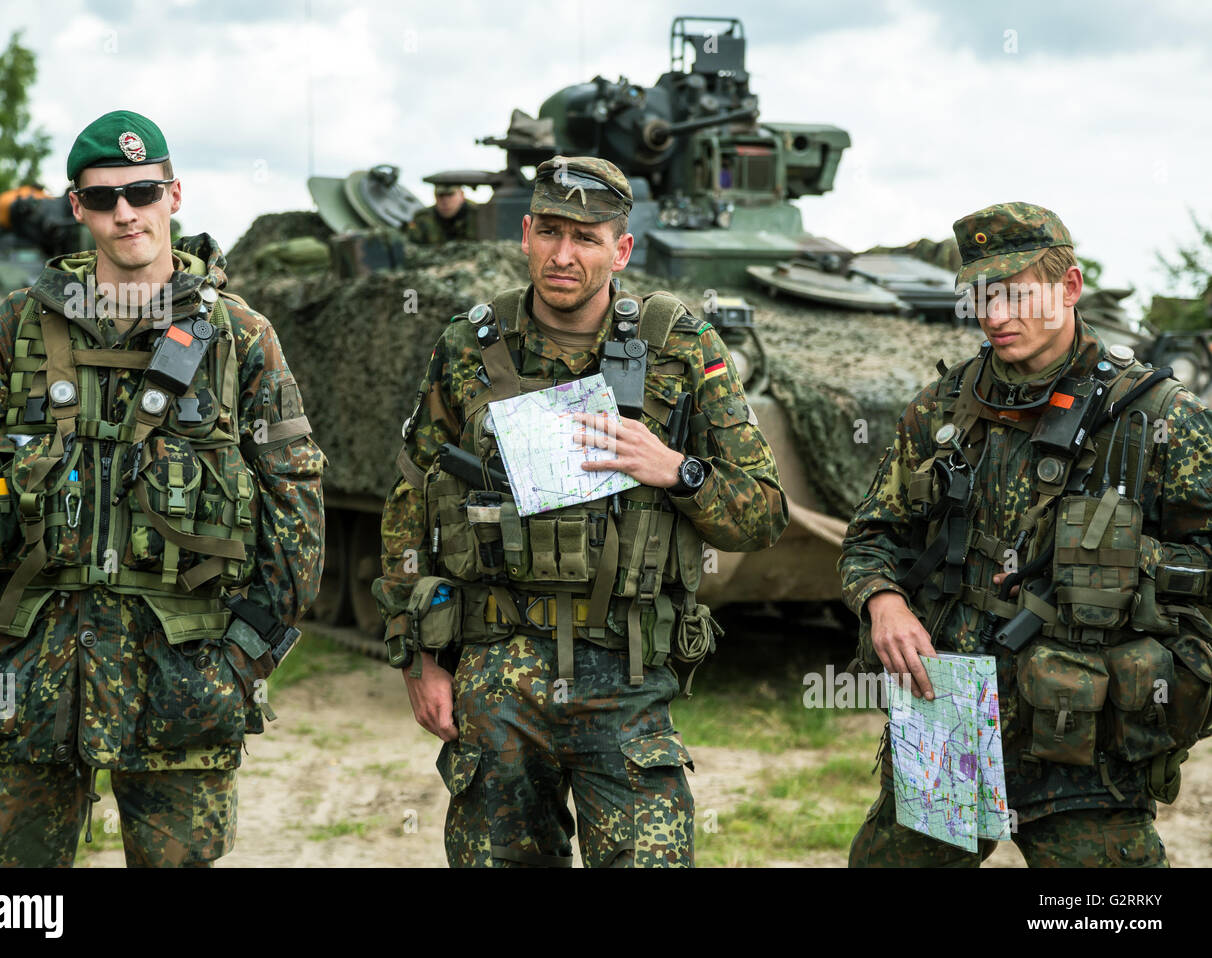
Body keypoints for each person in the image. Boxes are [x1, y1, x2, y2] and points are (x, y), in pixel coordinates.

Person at [0, 109, 326, 867]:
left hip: (183, 688)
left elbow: (295, 514)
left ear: (174, 194)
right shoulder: (16, 330)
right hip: (22, 681)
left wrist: (240, 662)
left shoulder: (239, 339)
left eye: (142, 191)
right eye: (103, 198)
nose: (124, 212)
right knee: (17, 905)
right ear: (77, 207)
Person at [373, 155, 788, 867]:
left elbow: (764, 513)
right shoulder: (469, 346)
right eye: (551, 232)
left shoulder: (680, 349)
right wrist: (418, 656)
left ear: (621, 249)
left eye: (587, 237)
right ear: (526, 232)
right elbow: (411, 500)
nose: (563, 256)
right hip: (497, 676)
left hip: (625, 678)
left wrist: (678, 472)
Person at [840, 201, 1212, 867]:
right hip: (947, 710)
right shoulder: (940, 408)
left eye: (1013, 293)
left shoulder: (1158, 417)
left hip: (1082, 731)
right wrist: (882, 600)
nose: (993, 314)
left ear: (1069, 287)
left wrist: (1126, 565)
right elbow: (873, 533)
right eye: (980, 295)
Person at [404, 184, 479, 244]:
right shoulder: (422, 217)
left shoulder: (479, 214)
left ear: (462, 195)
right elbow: (411, 249)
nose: (445, 201)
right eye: (440, 195)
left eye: (450, 195)